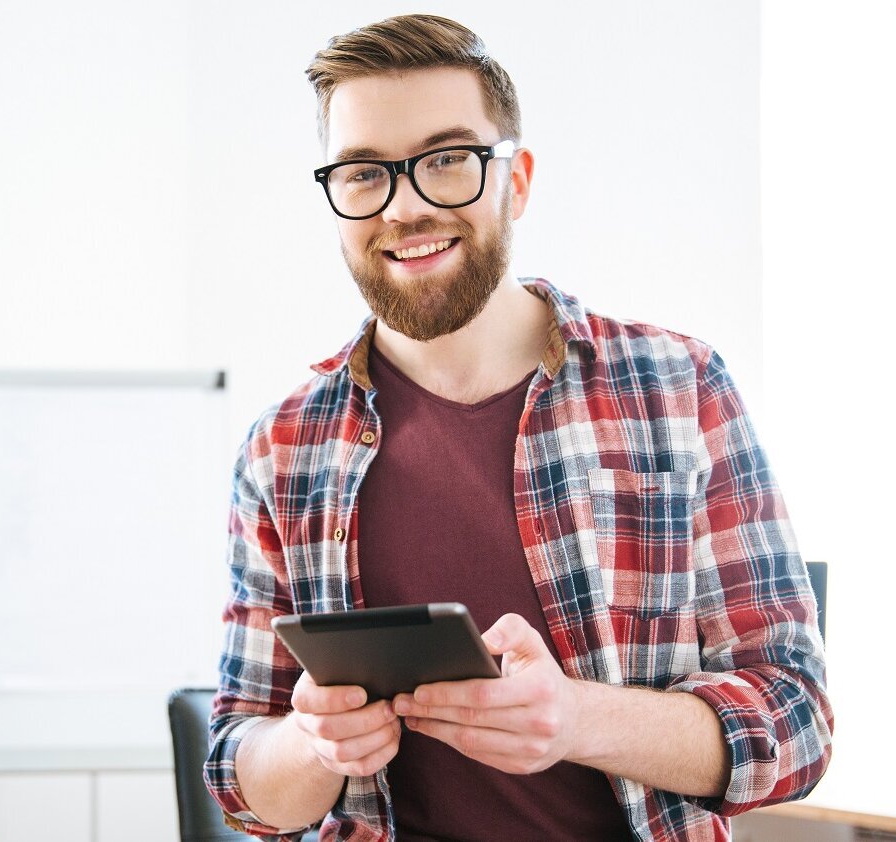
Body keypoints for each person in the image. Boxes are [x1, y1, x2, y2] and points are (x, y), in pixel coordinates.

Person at [204, 14, 832, 842]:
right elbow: (242, 781)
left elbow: (795, 724)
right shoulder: (281, 450)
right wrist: (312, 743)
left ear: (518, 180)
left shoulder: (680, 388)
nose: (406, 207)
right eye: (364, 174)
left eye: (447, 161)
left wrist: (577, 720)